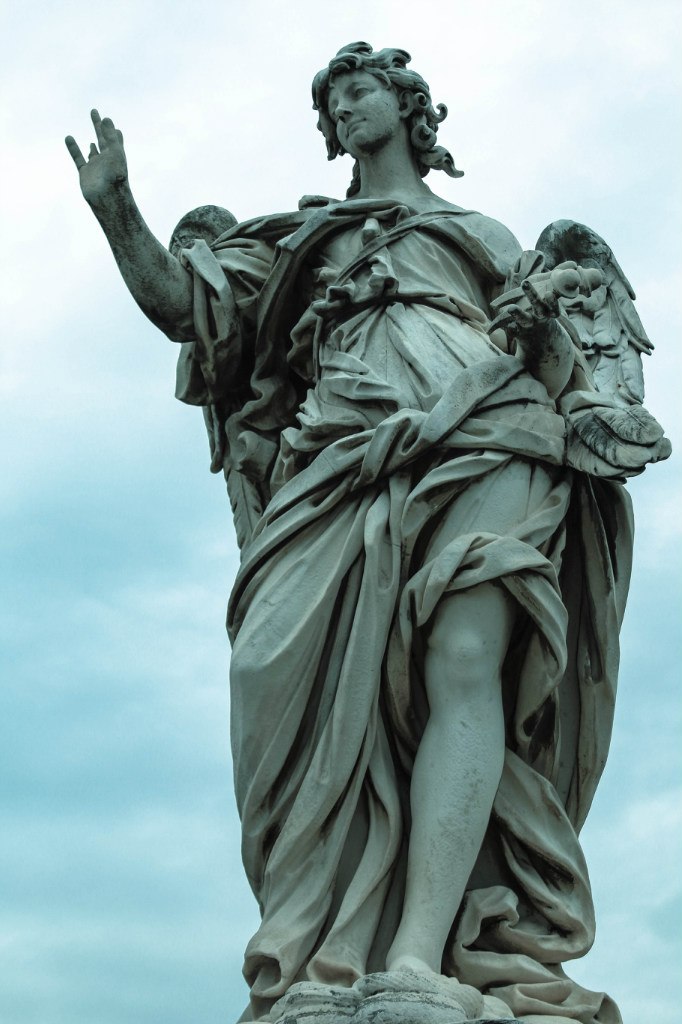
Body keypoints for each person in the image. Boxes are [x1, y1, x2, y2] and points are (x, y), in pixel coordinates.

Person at [66, 42, 668, 1024]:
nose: (345, 107)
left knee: (465, 660)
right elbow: (187, 308)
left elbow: (572, 371)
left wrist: (541, 334)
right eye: (332, 99)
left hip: (482, 431)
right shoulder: (295, 244)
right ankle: (323, 954)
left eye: (360, 90)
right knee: (273, 674)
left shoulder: (483, 233)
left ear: (409, 106)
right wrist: (116, 210)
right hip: (340, 454)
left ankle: (420, 961)